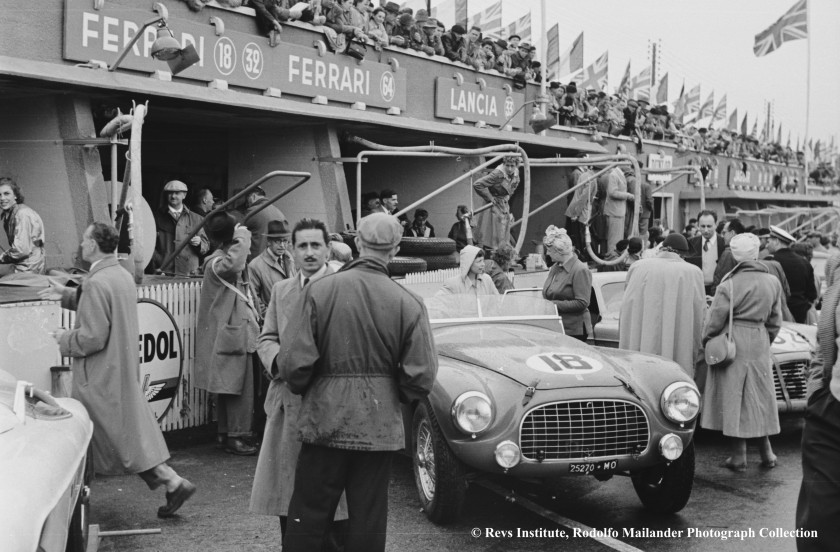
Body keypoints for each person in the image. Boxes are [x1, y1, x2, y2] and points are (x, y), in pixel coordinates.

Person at [277, 213, 437, 552]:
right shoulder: (409, 303)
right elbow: (420, 375)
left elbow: (293, 365)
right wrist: (391, 395)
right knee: (368, 518)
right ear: (395, 249)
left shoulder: (320, 291)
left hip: (324, 420)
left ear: (357, 244)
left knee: (308, 512)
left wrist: (313, 390)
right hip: (377, 426)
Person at [39, 222, 195, 517]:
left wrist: (64, 340)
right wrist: (67, 293)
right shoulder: (119, 274)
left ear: (95, 244)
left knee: (97, 439)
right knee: (128, 439)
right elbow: (102, 304)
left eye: (85, 239)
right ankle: (173, 482)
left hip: (98, 376)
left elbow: (92, 336)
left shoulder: (98, 281)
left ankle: (74, 510)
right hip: (117, 372)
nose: (81, 244)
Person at [250, 218, 348, 546]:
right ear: (292, 249)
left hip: (330, 405)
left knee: (329, 501)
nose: (308, 252)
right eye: (302, 245)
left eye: (315, 245)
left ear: (327, 249)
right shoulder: (282, 290)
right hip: (288, 404)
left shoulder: (343, 287)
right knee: (288, 496)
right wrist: (280, 361)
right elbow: (266, 337)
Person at [700, 233, 783, 472]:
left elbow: (714, 321)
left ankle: (739, 455)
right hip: (759, 340)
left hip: (733, 341)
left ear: (735, 256)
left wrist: (708, 340)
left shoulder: (729, 284)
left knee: (735, 397)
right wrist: (765, 338)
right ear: (756, 253)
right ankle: (768, 452)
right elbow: (776, 321)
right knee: (759, 397)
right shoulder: (772, 282)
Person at [195, 212, 260, 456]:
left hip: (228, 331)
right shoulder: (219, 264)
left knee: (228, 386)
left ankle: (225, 433)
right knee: (240, 387)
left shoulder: (215, 261)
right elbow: (236, 263)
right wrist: (242, 235)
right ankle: (237, 435)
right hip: (233, 332)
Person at [796, 258, 840, 550]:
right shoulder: (837, 267)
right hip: (831, 406)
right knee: (819, 517)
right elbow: (826, 337)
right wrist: (817, 387)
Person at [619, 233, 705, 377]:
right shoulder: (693, 272)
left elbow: (626, 307)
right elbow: (699, 315)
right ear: (682, 254)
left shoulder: (637, 266)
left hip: (639, 346)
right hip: (677, 351)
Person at [541, 226, 592, 341]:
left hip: (574, 330)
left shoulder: (580, 270)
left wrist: (552, 305)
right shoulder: (555, 267)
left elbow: (582, 302)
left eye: (549, 250)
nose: (548, 254)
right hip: (558, 326)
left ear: (559, 251)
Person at [151, 180, 209, 276]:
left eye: (177, 193)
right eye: (170, 193)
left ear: (184, 195)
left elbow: (206, 246)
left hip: (189, 272)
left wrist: (199, 243)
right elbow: (149, 245)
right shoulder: (156, 217)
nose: (173, 196)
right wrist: (158, 262)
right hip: (165, 271)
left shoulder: (197, 218)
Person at [765, 225, 817, 324]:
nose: (766, 245)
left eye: (768, 241)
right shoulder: (804, 262)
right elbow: (812, 295)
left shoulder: (769, 261)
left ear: (776, 241)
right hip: (801, 316)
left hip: (778, 317)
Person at [248, 220, 296, 318]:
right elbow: (254, 299)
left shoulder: (289, 258)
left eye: (285, 241)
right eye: (277, 241)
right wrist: (271, 319)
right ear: (269, 242)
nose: (282, 245)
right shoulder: (255, 266)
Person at [0, 177, 45, 274]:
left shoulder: (22, 214)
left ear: (15, 195)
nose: (2, 198)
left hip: (29, 268)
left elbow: (22, 250)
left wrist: (3, 257)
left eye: (6, 193)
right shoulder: (9, 215)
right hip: (21, 265)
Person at [473, 156, 519, 251]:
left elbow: (513, 186)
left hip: (504, 205)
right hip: (493, 206)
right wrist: (490, 198)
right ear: (503, 164)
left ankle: (503, 252)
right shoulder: (497, 174)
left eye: (512, 166)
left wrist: (507, 197)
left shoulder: (516, 174)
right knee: (493, 235)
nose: (510, 169)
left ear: (516, 166)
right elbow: (477, 184)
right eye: (507, 165)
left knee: (505, 233)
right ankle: (493, 253)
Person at [563, 155, 597, 259]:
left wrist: (576, 213)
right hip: (581, 211)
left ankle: (580, 258)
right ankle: (582, 258)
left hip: (579, 211)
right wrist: (576, 213)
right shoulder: (588, 176)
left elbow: (583, 197)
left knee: (578, 237)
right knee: (579, 237)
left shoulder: (585, 176)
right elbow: (583, 197)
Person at [243, 186, 288, 262]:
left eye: (247, 199)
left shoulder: (252, 212)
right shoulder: (279, 213)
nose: (247, 204)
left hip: (256, 264)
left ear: (253, 196)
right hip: (275, 263)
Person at [687, 209, 725, 296]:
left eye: (709, 226)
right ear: (698, 226)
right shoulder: (691, 243)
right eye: (703, 226)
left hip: (718, 289)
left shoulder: (724, 243)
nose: (706, 230)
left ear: (715, 225)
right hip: (696, 289)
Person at [601, 166, 633, 253]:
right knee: (614, 240)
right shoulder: (614, 175)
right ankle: (612, 260)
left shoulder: (619, 175)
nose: (630, 167)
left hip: (618, 212)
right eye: (628, 164)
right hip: (614, 212)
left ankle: (614, 260)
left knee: (617, 240)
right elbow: (612, 192)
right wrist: (628, 195)